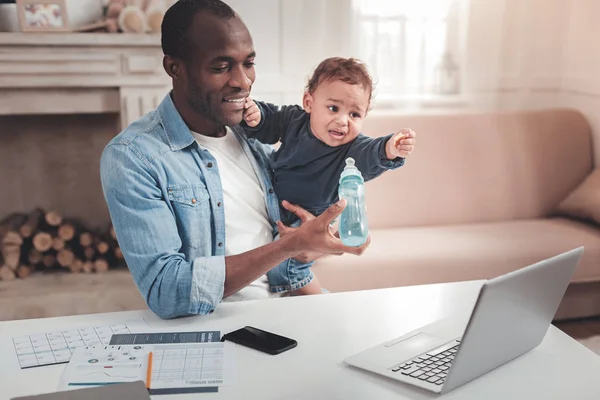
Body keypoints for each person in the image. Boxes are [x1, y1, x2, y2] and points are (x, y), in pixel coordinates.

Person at [99, 0, 369, 320]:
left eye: (249, 63)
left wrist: (315, 241)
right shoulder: (134, 157)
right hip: (226, 330)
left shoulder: (253, 134)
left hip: (296, 305)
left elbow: (289, 234)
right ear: (175, 68)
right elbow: (167, 291)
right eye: (221, 66)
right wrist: (290, 246)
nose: (243, 81)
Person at [241, 57, 417, 296]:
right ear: (308, 102)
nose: (342, 121)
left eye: (355, 114)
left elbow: (373, 151)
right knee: (279, 262)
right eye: (333, 108)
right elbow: (270, 118)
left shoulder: (352, 149)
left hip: (308, 220)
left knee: (290, 269)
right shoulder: (294, 120)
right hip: (273, 203)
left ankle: (320, 302)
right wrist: (257, 115)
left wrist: (391, 148)